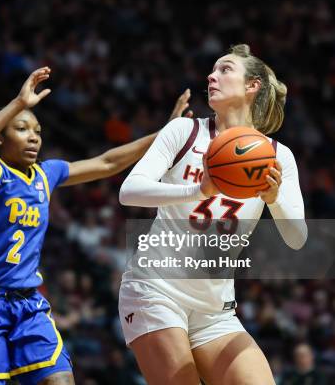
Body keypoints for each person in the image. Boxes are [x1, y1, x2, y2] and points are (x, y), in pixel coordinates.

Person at [0, 67, 189, 384]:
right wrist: (18, 103)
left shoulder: (47, 173)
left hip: (28, 303)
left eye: (38, 131)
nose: (33, 137)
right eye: (22, 129)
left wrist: (164, 133)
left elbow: (107, 163)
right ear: (0, 136)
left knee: (61, 380)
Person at [118, 44, 308, 385]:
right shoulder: (184, 132)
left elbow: (298, 239)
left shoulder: (278, 156)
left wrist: (275, 199)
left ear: (252, 86)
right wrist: (198, 190)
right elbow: (129, 191)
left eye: (225, 69)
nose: (211, 75)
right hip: (156, 289)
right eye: (212, 70)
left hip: (214, 308)